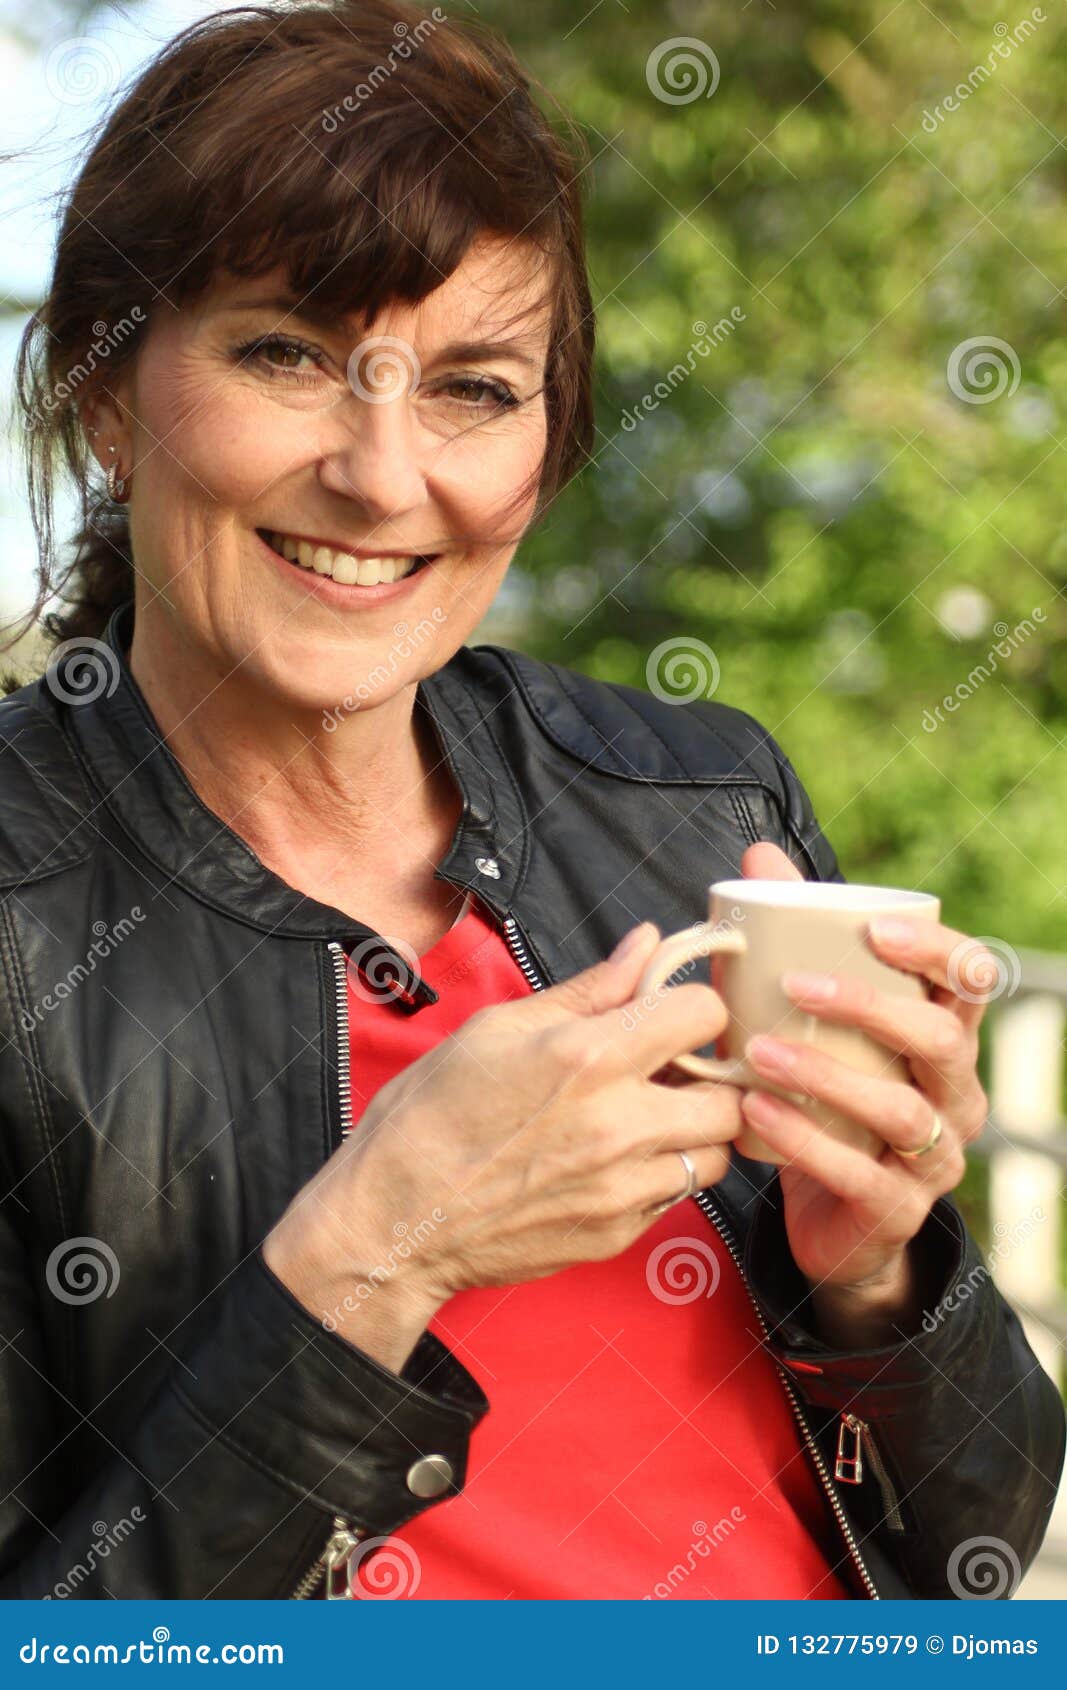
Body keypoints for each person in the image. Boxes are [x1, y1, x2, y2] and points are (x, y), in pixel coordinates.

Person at [1, 0, 1061, 1601]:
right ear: (100, 389)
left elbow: (977, 1552)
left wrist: (879, 1275)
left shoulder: (699, 804)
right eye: (285, 351)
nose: (380, 472)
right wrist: (382, 1250)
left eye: (473, 387)